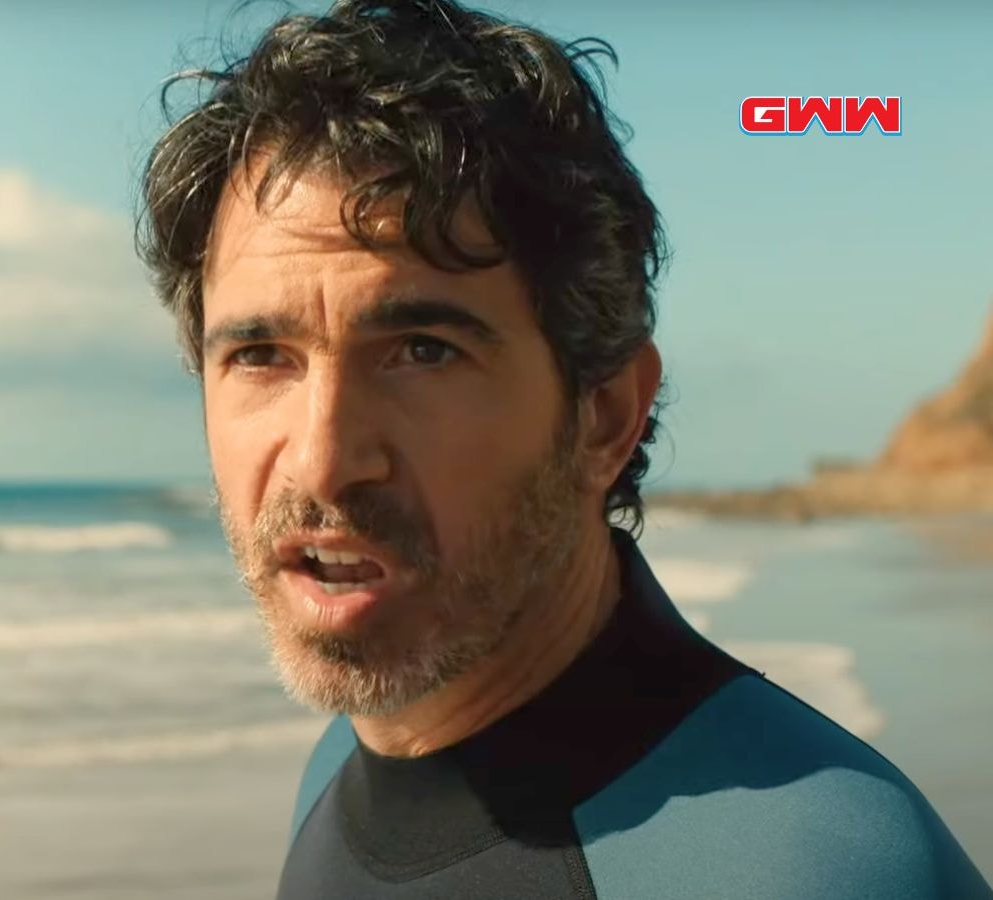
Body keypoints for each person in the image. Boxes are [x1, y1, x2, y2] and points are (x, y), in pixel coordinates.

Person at [135, 1, 993, 897]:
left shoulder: (813, 867)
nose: (322, 459)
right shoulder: (338, 769)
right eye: (261, 356)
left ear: (603, 414)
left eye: (424, 351)